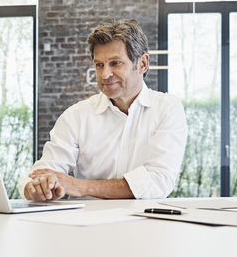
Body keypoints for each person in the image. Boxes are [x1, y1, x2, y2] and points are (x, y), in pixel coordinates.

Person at [19, 19, 188, 200]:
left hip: (145, 224)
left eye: (115, 63)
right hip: (86, 225)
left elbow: (158, 181)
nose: (105, 74)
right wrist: (38, 186)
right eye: (99, 65)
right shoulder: (76, 116)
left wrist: (82, 186)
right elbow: (44, 171)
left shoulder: (167, 109)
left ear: (142, 64)